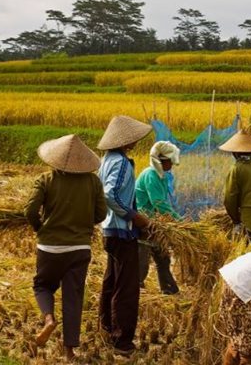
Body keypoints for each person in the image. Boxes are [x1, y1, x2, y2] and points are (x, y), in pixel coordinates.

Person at [24, 134, 107, 361]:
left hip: (49, 247)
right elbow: (101, 214)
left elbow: (30, 211)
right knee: (73, 296)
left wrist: (39, 227)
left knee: (42, 285)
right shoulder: (93, 181)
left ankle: (49, 319)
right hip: (80, 248)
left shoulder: (45, 179)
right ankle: (70, 350)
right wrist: (82, 223)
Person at [97, 115, 152, 356]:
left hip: (110, 229)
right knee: (127, 286)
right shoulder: (120, 162)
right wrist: (133, 216)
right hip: (121, 230)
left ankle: (107, 327)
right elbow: (110, 194)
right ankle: (122, 341)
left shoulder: (106, 160)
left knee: (112, 280)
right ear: (125, 141)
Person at [136, 141, 181, 295]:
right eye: (170, 161)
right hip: (144, 223)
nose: (172, 165)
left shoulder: (160, 176)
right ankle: (136, 291)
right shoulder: (151, 175)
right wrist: (178, 221)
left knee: (163, 257)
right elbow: (159, 203)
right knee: (142, 259)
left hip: (155, 223)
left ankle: (169, 289)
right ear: (160, 160)